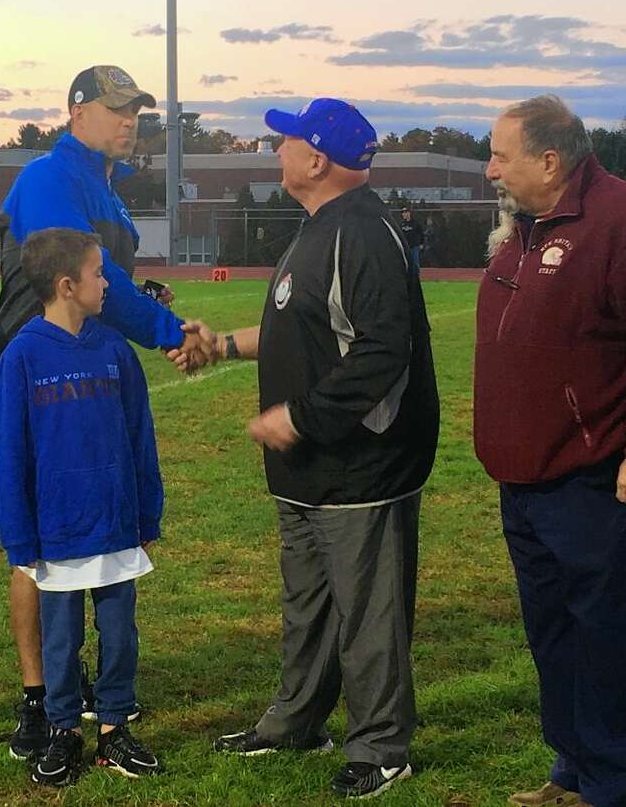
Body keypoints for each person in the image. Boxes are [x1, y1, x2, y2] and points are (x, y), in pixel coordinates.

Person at [184, 99, 439, 799]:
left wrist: (300, 418)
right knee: (311, 606)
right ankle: (297, 720)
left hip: (362, 464)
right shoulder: (319, 229)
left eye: (285, 140)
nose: (276, 152)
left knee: (370, 613)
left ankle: (382, 746)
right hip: (310, 469)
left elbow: (385, 351)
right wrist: (225, 348)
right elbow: (307, 330)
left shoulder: (362, 232)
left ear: (318, 159)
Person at [0, 64, 215, 759]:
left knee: (102, 532)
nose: (128, 123)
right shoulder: (53, 176)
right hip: (41, 381)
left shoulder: (101, 182)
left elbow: (107, 284)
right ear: (76, 111)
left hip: (96, 377)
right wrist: (168, 332)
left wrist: (145, 301)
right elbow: (91, 283)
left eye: (136, 113)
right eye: (117, 110)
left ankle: (89, 696)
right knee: (37, 551)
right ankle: (39, 702)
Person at [476, 95, 626, 807]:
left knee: (605, 635)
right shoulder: (526, 227)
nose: (489, 171)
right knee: (553, 633)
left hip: (598, 479)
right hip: (525, 475)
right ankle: (569, 771)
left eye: (499, 156)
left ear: (549, 160)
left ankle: (609, 785)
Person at [0, 228, 164, 787]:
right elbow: (13, 451)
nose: (106, 284)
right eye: (98, 274)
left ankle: (114, 728)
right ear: (68, 286)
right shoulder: (23, 353)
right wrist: (19, 536)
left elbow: (140, 434)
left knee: (121, 633)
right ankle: (63, 729)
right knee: (62, 638)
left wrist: (147, 513)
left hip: (114, 520)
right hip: (57, 528)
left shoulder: (114, 347)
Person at [399, 207, 424, 272]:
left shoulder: (415, 223)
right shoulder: (401, 224)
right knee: (406, 262)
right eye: (403, 213)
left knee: (415, 262)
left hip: (414, 246)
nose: (404, 214)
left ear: (409, 213)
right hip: (405, 247)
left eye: (406, 212)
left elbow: (421, 233)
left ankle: (416, 276)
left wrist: (421, 243)